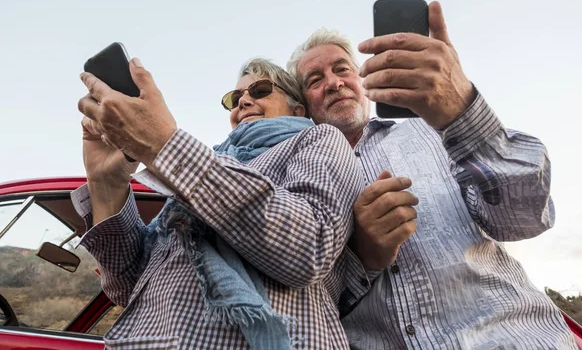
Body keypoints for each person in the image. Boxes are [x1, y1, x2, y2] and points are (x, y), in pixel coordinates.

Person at [287, 1, 577, 349]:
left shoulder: (435, 130)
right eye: (315, 80)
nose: (333, 83)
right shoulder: (297, 181)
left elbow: (526, 218)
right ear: (301, 103)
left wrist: (461, 111)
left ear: (362, 79)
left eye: (342, 69)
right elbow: (305, 304)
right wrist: (362, 259)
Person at [73, 58, 370, 349]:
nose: (243, 101)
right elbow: (127, 284)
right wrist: (105, 184)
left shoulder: (318, 140)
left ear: (297, 108)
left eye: (261, 90)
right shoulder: (206, 164)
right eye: (235, 97)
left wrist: (164, 144)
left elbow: (308, 248)